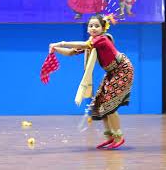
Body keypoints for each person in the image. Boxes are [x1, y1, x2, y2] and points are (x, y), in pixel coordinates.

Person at [49, 14, 134, 149]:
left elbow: (83, 45)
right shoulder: (92, 42)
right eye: (90, 26)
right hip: (112, 72)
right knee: (100, 104)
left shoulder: (102, 39)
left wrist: (61, 42)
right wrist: (55, 49)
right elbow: (72, 52)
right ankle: (110, 137)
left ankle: (119, 137)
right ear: (87, 28)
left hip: (122, 70)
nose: (93, 28)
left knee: (109, 105)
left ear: (102, 28)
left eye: (96, 26)